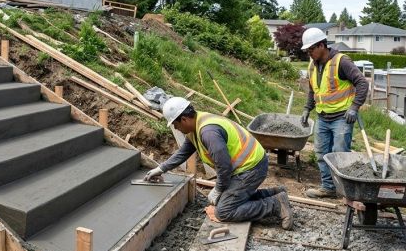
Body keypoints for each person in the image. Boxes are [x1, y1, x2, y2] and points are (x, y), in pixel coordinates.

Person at [144, 97, 294, 229]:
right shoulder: (196, 125)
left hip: (251, 169)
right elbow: (183, 153)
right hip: (246, 167)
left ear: (184, 119)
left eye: (175, 124)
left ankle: (275, 205)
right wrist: (161, 168)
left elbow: (224, 167)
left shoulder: (208, 133)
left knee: (224, 211)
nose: (175, 128)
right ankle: (274, 193)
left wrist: (218, 189)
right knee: (225, 200)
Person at [300, 27, 369, 199]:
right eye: (307, 50)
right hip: (323, 116)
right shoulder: (312, 66)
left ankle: (345, 191)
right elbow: (313, 90)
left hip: (342, 117)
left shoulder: (341, 62)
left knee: (339, 153)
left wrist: (354, 107)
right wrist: (307, 109)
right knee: (321, 153)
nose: (309, 53)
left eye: (311, 49)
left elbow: (362, 83)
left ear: (321, 45)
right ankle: (328, 187)